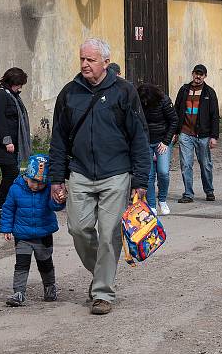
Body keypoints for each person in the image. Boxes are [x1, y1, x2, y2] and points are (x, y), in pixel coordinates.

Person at [48, 38, 150, 315]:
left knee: (108, 235)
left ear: (106, 62)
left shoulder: (124, 92)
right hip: (79, 172)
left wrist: (140, 181)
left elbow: (139, 138)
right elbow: (58, 140)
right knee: (78, 230)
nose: (84, 64)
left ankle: (103, 292)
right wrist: (56, 179)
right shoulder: (69, 93)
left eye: (90, 60)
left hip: (115, 174)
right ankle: (102, 273)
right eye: (82, 59)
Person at [0, 154, 64, 307]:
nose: (36, 186)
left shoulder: (48, 189)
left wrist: (59, 200)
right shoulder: (16, 189)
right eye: (33, 181)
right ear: (27, 176)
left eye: (41, 183)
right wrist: (6, 228)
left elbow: (55, 206)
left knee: (45, 264)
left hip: (44, 234)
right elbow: (8, 209)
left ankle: (49, 287)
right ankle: (19, 292)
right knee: (21, 265)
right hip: (22, 235)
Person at [0, 67, 31, 220]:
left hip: (12, 143)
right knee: (11, 173)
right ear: (12, 82)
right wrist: (7, 141)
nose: (20, 88)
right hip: (1, 144)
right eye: (19, 84)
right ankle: (0, 207)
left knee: (11, 174)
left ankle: (6, 207)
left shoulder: (12, 95)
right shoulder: (0, 96)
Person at [173, 63, 220, 203]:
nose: (198, 76)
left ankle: (209, 191)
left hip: (203, 135)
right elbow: (176, 111)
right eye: (196, 73)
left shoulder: (209, 93)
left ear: (205, 76)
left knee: (205, 164)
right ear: (192, 74)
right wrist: (175, 131)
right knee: (186, 164)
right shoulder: (184, 90)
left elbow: (214, 115)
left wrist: (214, 136)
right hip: (185, 133)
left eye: (201, 74)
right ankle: (188, 194)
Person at [138, 83, 178, 214]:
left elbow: (174, 121)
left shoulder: (164, 101)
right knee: (149, 175)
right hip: (146, 142)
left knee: (163, 172)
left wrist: (166, 142)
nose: (144, 102)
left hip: (162, 141)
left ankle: (162, 199)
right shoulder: (139, 103)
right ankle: (151, 205)